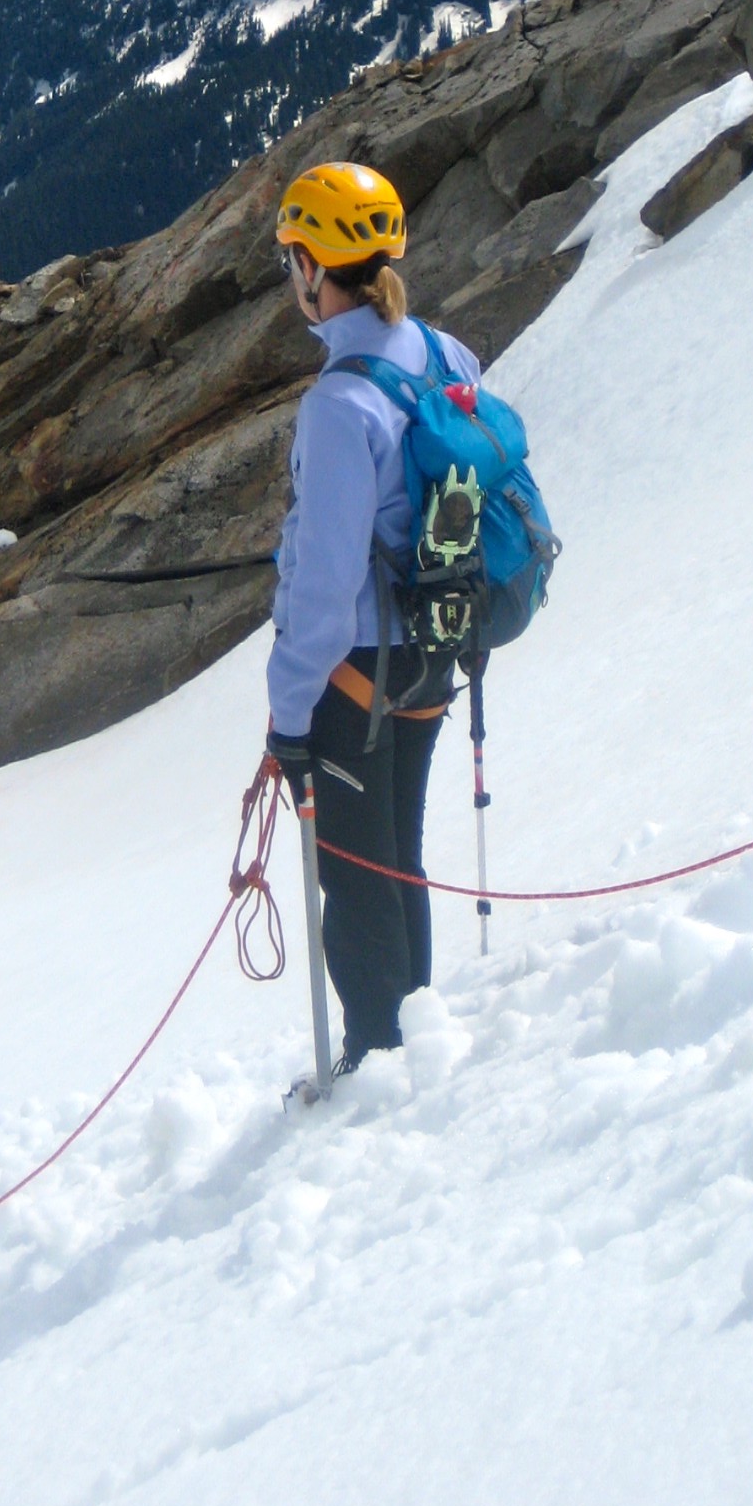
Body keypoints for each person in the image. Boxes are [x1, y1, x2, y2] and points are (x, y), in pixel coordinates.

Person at [265, 160, 487, 1073]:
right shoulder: (446, 354)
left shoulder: (337, 405)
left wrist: (286, 714)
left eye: (292, 260)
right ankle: (414, 1047)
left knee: (355, 879)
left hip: (353, 673)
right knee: (398, 857)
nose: (290, 278)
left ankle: (376, 1063)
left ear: (319, 267)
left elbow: (321, 587)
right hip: (436, 651)